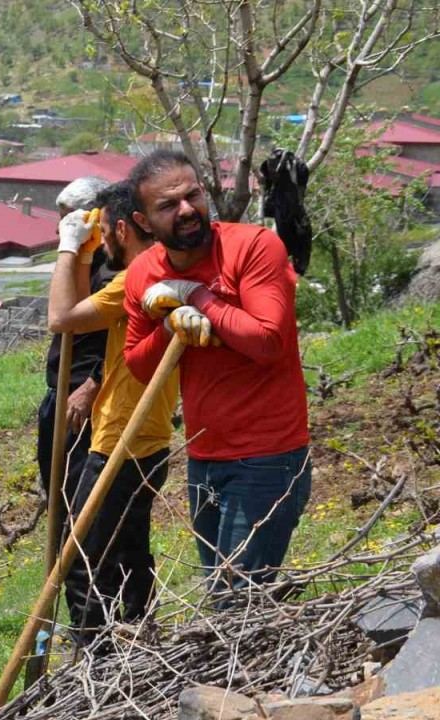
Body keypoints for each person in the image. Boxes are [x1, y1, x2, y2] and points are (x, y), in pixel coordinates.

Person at [121, 150, 311, 593]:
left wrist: (196, 296)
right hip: (204, 458)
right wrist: (170, 329)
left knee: (234, 599)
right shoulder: (143, 274)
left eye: (192, 195)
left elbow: (267, 342)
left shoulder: (253, 247)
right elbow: (139, 366)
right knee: (225, 594)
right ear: (143, 221)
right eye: (168, 205)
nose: (187, 210)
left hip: (268, 456)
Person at [46, 182, 177, 643]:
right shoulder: (159, 267)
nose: (100, 242)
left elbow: (61, 318)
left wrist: (66, 250)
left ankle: (93, 669)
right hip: (149, 436)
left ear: (123, 228)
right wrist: (82, 257)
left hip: (120, 438)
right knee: (130, 548)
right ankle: (141, 635)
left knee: (80, 560)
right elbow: (83, 313)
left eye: (103, 232)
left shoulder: (135, 278)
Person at [36, 177, 112, 515]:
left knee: (80, 500)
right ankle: (60, 566)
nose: (60, 229)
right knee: (56, 494)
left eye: (69, 219)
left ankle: (80, 564)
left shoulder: (113, 269)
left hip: (84, 395)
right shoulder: (81, 258)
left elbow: (123, 340)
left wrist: (92, 385)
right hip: (59, 392)